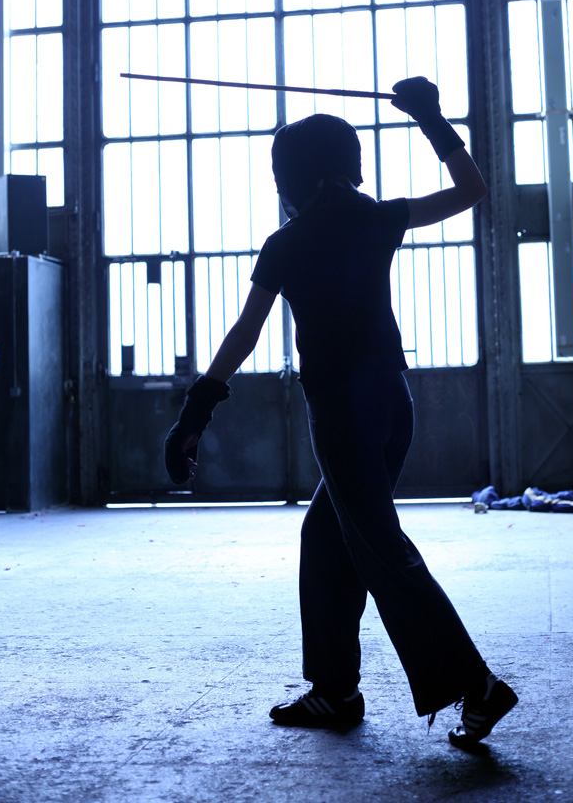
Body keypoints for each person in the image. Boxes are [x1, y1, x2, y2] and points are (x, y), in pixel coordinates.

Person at [164, 76, 518, 749]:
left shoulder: (287, 242)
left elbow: (245, 333)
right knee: (327, 541)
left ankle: (476, 686)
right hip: (392, 403)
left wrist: (194, 413)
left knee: (381, 551)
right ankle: (335, 690)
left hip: (343, 413)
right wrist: (430, 118)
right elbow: (472, 189)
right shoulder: (377, 218)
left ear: (293, 176)